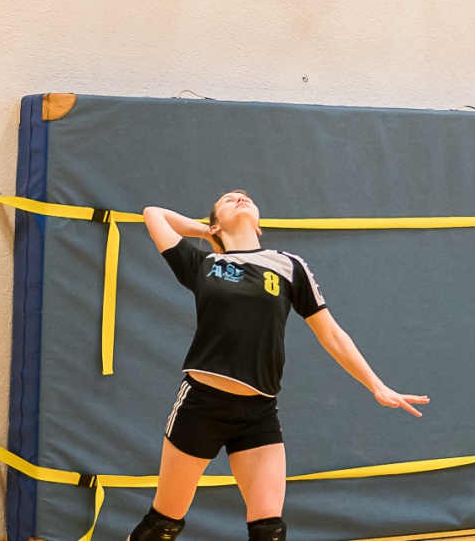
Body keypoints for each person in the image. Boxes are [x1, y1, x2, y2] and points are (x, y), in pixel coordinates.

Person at [127, 190, 429, 541]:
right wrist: (209, 233)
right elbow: (153, 214)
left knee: (269, 530)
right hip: (201, 405)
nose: (240, 198)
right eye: (228, 199)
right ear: (215, 222)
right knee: (163, 523)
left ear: (259, 224)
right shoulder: (203, 265)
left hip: (258, 412)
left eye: (246, 198)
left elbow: (330, 333)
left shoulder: (289, 265)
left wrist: (376, 384)